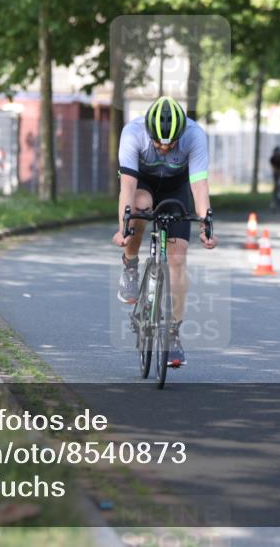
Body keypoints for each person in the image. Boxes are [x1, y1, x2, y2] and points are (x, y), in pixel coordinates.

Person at [113, 96, 218, 366]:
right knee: (139, 206)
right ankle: (131, 265)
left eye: (171, 143)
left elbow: (199, 185)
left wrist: (206, 225)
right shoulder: (132, 133)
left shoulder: (194, 135)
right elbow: (127, 186)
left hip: (176, 188)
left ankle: (172, 333)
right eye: (158, 142)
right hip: (143, 183)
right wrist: (123, 228)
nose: (164, 148)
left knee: (178, 259)